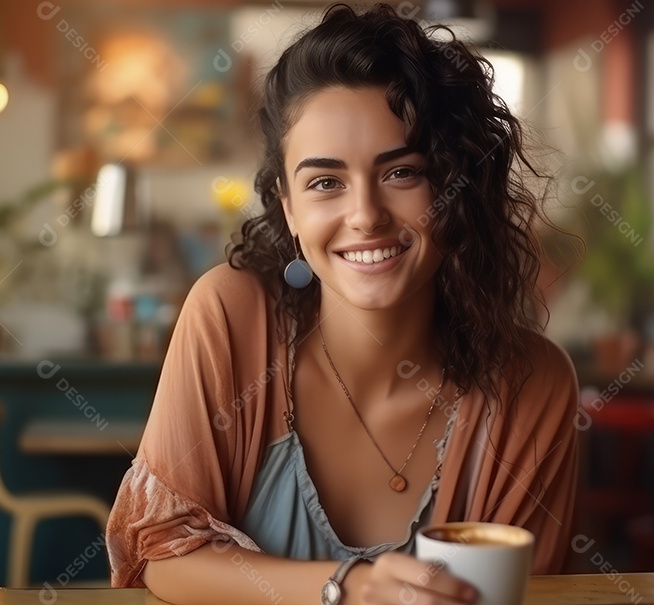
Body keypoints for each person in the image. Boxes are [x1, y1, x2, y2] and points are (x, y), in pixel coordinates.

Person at [106, 4, 578, 603]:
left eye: (402, 172)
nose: (365, 216)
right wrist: (346, 588)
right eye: (326, 182)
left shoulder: (532, 386)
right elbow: (162, 554)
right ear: (288, 208)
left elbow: (515, 596)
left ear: (457, 187)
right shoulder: (230, 318)